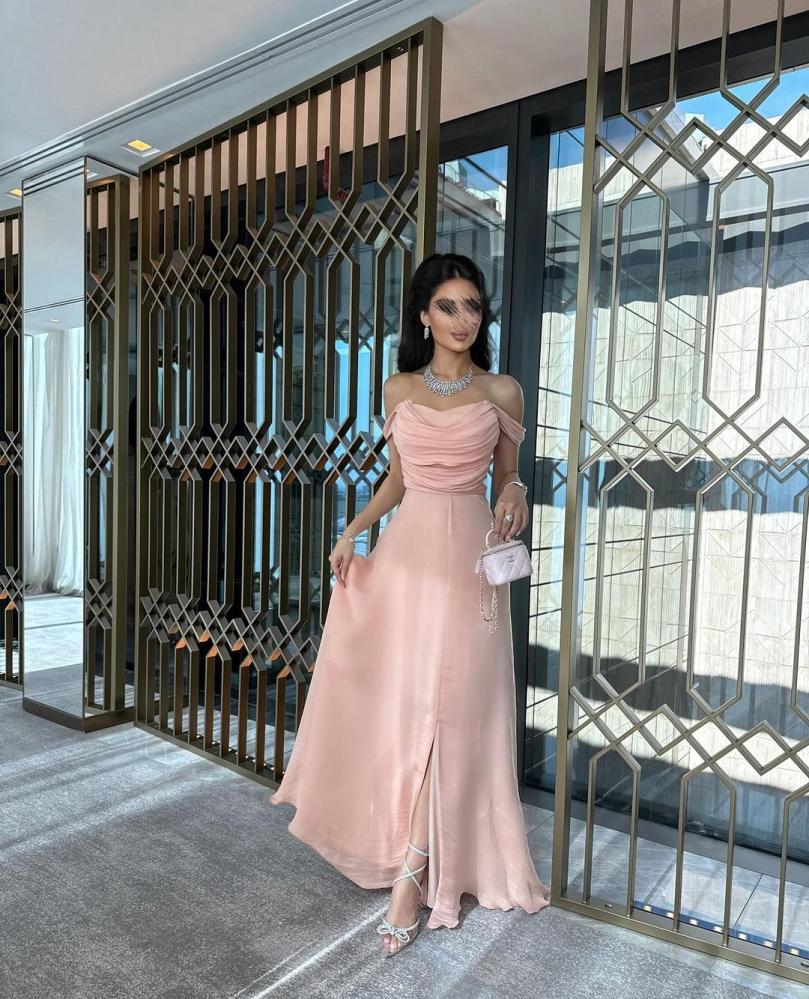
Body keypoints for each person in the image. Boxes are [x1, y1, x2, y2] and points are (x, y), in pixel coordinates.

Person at [271, 252, 550, 956]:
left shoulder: (503, 391)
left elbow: (508, 477)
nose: (463, 319)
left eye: (473, 306)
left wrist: (516, 492)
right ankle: (401, 847)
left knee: (451, 711)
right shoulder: (398, 388)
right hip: (405, 558)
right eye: (448, 306)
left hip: (469, 566)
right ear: (423, 314)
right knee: (409, 709)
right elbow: (397, 480)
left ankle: (413, 874)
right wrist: (352, 531)